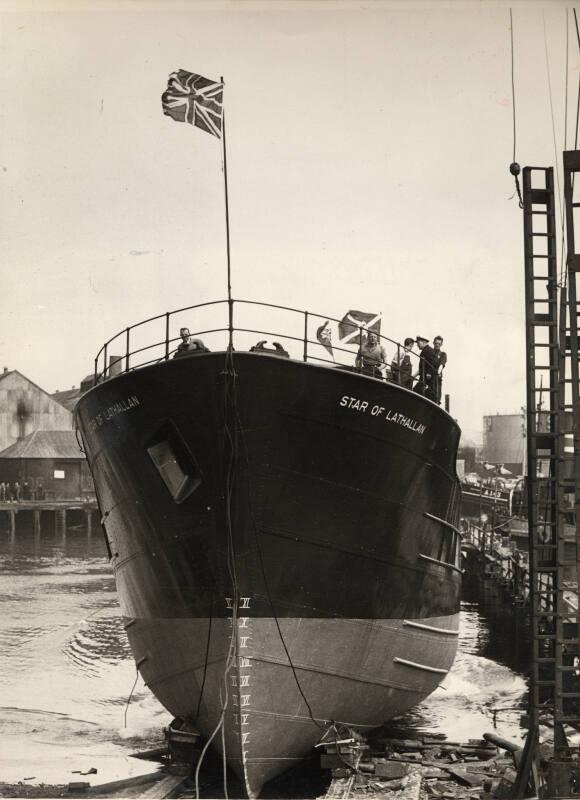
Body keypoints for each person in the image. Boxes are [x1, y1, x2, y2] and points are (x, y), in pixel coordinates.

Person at [414, 336, 438, 401]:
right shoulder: (426, 350)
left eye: (418, 343)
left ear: (424, 342)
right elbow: (422, 367)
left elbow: (435, 362)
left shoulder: (428, 350)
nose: (417, 345)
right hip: (424, 378)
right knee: (417, 392)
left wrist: (429, 373)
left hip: (428, 379)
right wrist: (414, 376)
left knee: (417, 392)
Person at [433, 335, 447, 405]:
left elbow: (441, 364)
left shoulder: (442, 354)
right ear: (433, 343)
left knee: (437, 398)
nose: (437, 345)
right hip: (428, 378)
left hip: (436, 379)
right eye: (436, 343)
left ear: (441, 344)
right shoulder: (430, 352)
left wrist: (438, 373)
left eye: (439, 344)